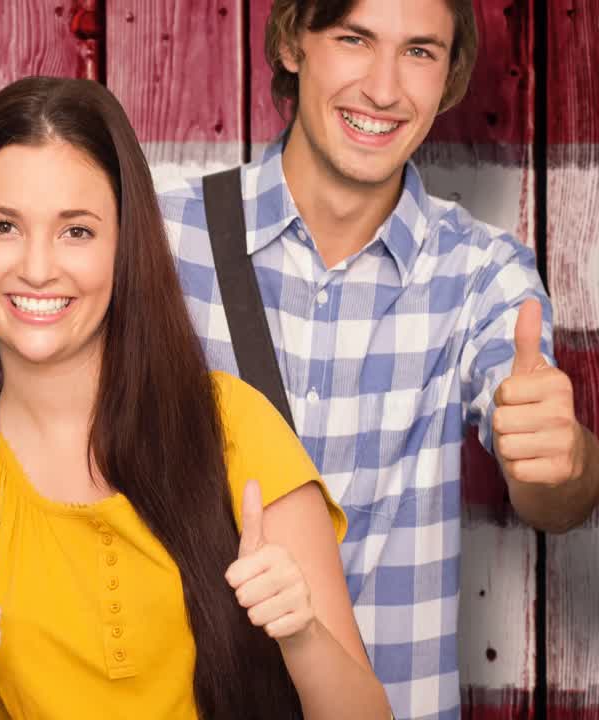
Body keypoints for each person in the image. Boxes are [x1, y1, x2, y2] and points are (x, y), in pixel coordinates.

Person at [0, 76, 390, 720]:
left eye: (77, 232)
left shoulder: (236, 428)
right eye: (4, 226)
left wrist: (301, 634)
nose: (37, 267)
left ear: (126, 244)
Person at [161, 1, 599, 717]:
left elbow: (556, 497)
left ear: (450, 76)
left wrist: (563, 460)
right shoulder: (160, 242)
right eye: (355, 39)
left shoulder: (485, 275)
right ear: (292, 42)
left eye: (420, 52)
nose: (385, 89)